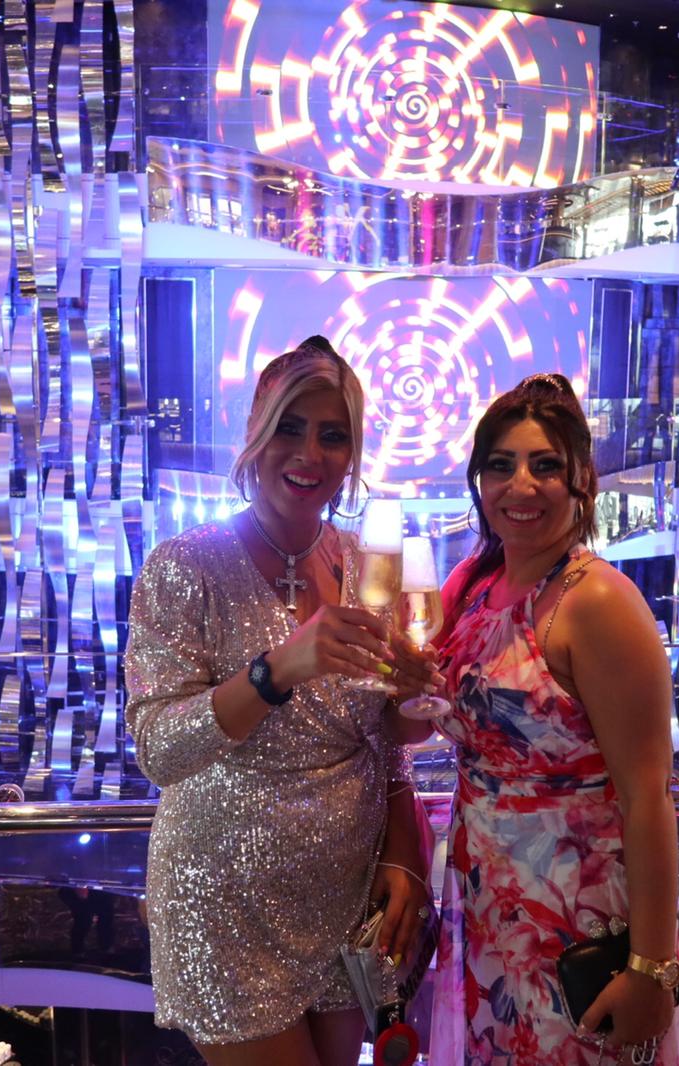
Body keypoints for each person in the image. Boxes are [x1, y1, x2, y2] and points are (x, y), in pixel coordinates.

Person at [126, 337, 438, 1066]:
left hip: (346, 897)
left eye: (334, 435)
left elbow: (385, 736)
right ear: (255, 435)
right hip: (224, 900)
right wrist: (276, 670)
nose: (310, 454)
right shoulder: (186, 567)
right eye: (290, 428)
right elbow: (160, 751)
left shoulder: (369, 564)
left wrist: (416, 706)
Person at [419, 373, 679, 1065]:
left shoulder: (598, 602)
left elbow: (649, 796)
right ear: (479, 481)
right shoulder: (473, 584)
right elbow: (418, 717)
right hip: (486, 906)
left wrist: (652, 968)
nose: (521, 485)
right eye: (500, 465)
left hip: (575, 917)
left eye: (545, 466)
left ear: (581, 481)